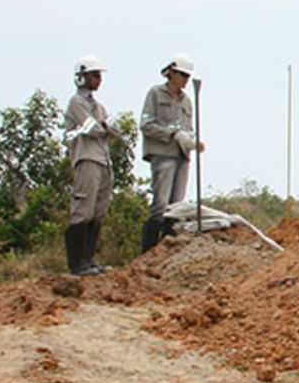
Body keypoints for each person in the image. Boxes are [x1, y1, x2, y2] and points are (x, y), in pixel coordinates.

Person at [62, 54, 124, 276]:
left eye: (99, 75)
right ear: (81, 77)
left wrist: (105, 126)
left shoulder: (97, 106)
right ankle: (77, 262)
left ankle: (89, 258)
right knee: (83, 208)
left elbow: (115, 130)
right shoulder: (76, 102)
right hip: (87, 157)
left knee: (99, 210)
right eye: (94, 75)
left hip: (103, 159)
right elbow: (94, 129)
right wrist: (105, 126)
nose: (99, 79)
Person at [139, 53, 204, 252]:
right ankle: (149, 250)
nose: (185, 80)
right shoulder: (155, 94)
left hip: (182, 155)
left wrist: (192, 142)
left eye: (187, 77)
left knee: (177, 205)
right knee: (160, 203)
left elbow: (189, 128)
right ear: (172, 73)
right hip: (162, 153)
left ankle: (166, 249)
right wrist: (172, 134)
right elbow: (146, 124)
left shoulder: (186, 101)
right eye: (182, 76)